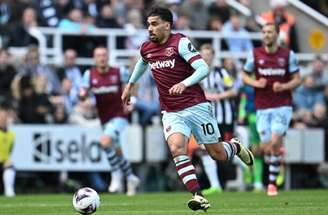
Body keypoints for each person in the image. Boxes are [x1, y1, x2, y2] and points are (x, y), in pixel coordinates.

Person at [121, 7, 254, 211]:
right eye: (148, 24)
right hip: (171, 111)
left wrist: (185, 83)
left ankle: (235, 147)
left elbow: (203, 68)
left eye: (154, 24)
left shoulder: (180, 42)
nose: (150, 28)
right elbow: (142, 63)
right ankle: (198, 195)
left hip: (196, 106)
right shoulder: (147, 48)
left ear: (167, 25)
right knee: (176, 148)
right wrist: (130, 85)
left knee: (217, 154)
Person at [242, 23, 301, 196]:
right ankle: (277, 156)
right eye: (264, 32)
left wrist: (284, 86)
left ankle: (272, 184)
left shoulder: (288, 55)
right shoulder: (255, 54)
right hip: (262, 107)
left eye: (270, 32)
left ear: (277, 35)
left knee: (275, 141)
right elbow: (244, 75)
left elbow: (297, 79)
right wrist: (255, 83)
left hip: (282, 105)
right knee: (265, 147)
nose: (266, 35)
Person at [79, 47, 140, 196]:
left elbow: (133, 84)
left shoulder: (119, 71)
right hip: (104, 117)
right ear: (94, 58)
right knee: (117, 151)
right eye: (98, 55)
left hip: (119, 115)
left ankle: (116, 174)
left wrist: (133, 101)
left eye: (104, 55)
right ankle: (131, 178)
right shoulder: (89, 74)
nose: (102, 58)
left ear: (108, 57)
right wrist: (82, 97)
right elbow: (83, 93)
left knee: (105, 141)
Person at [0, 105, 16, 197]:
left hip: (3, 163)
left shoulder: (11, 135)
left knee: (10, 164)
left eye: (4, 117)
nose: (3, 120)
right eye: (1, 117)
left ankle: (9, 191)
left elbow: (10, 150)